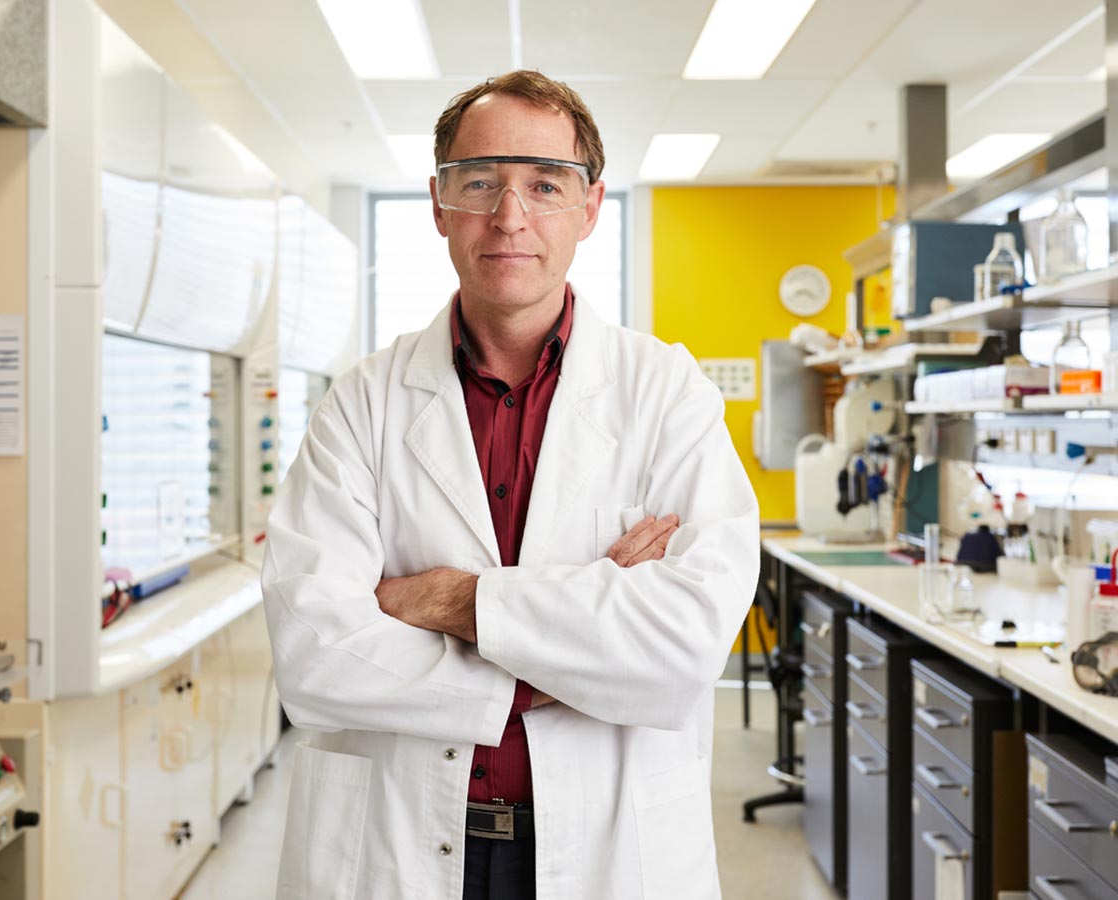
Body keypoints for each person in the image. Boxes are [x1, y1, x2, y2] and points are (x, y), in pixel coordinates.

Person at [263, 69, 758, 900]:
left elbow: (684, 648)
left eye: (544, 183)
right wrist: (586, 633)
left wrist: (451, 602)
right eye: (480, 181)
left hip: (612, 848)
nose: (509, 215)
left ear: (590, 208)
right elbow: (314, 653)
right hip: (395, 845)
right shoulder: (363, 403)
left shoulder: (666, 394)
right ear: (438, 203)